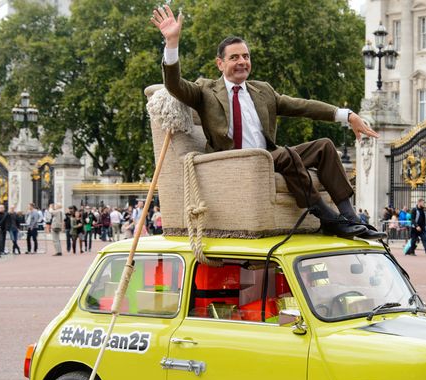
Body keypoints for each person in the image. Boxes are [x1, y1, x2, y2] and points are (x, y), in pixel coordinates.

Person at [152, 5, 383, 240]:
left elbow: (302, 106)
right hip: (234, 161)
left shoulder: (262, 90)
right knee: (284, 155)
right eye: (234, 57)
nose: (242, 61)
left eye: (246, 56)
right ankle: (326, 216)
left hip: (269, 156)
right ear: (220, 64)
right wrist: (172, 44)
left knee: (324, 146)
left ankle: (350, 216)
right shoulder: (205, 90)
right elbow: (175, 86)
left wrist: (347, 115)